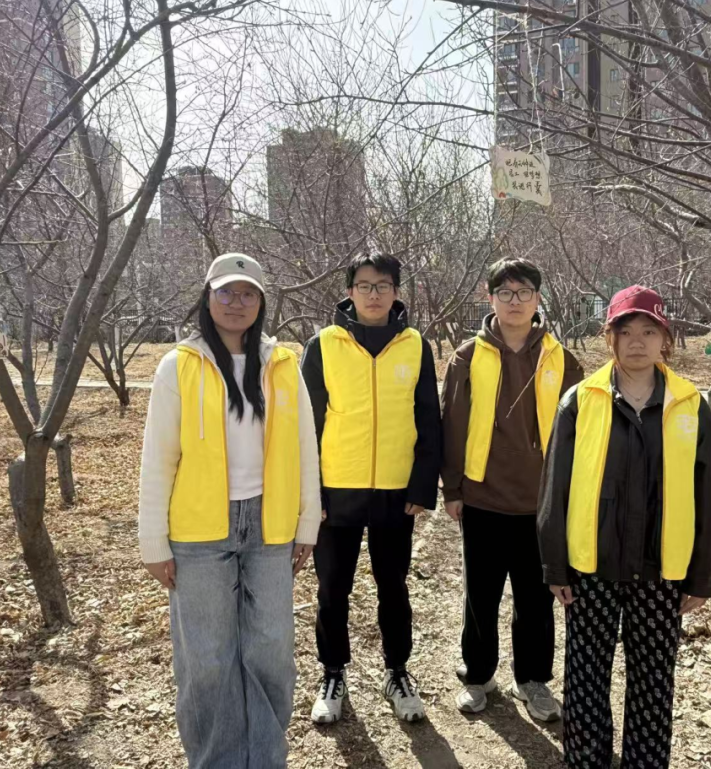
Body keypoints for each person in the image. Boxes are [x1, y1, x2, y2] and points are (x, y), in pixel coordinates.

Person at [138, 253, 321, 769]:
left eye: (247, 293)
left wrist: (308, 522)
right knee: (208, 659)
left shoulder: (282, 364)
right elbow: (158, 457)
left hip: (270, 524)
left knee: (271, 652)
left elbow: (305, 447)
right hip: (198, 531)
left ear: (261, 302)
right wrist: (153, 541)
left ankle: (264, 759)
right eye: (225, 292)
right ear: (208, 297)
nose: (236, 302)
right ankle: (217, 760)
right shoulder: (180, 365)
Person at [537, 285, 711, 769]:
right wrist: (555, 566)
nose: (637, 341)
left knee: (653, 682)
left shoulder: (690, 404)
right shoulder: (581, 400)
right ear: (610, 339)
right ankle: (586, 761)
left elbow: (708, 495)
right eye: (626, 332)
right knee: (585, 678)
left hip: (661, 571)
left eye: (649, 331)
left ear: (665, 339)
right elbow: (555, 488)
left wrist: (702, 574)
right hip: (591, 568)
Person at [440, 258, 583, 721]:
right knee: (480, 596)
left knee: (536, 598)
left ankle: (533, 681)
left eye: (524, 292)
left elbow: (579, 433)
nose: (515, 301)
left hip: (541, 504)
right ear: (491, 298)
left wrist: (570, 496)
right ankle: (478, 675)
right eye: (505, 292)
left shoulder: (561, 359)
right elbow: (452, 424)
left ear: (538, 299)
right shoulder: (468, 356)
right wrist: (452, 488)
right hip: (483, 497)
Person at [302, 252, 441, 725]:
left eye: (383, 285)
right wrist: (311, 492)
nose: (374, 294)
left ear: (397, 292)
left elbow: (428, 417)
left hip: (394, 491)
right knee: (332, 588)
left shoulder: (415, 345)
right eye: (364, 285)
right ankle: (332, 673)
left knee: (393, 587)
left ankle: (397, 671)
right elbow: (306, 423)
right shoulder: (324, 345)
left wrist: (422, 485)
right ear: (349, 292)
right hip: (336, 488)